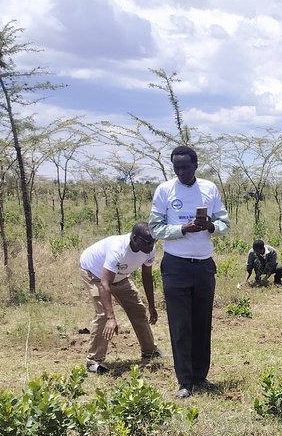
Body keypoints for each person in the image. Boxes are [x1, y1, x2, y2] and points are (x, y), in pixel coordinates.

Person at [149, 145, 230, 399]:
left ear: (196, 165)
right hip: (175, 266)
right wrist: (182, 229)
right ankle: (185, 381)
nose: (181, 171)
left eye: (185, 166)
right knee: (180, 325)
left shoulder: (209, 188)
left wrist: (211, 226)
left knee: (202, 323)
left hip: (204, 266)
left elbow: (225, 223)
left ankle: (200, 376)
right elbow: (154, 228)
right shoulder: (164, 190)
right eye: (177, 167)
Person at [78, 223, 160, 374]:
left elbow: (147, 275)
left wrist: (152, 305)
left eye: (154, 241)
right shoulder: (118, 249)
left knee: (138, 310)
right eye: (148, 242)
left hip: (120, 277)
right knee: (103, 315)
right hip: (95, 274)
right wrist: (111, 317)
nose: (152, 245)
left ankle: (150, 351)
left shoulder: (150, 248)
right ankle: (93, 361)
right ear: (135, 239)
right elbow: (104, 284)